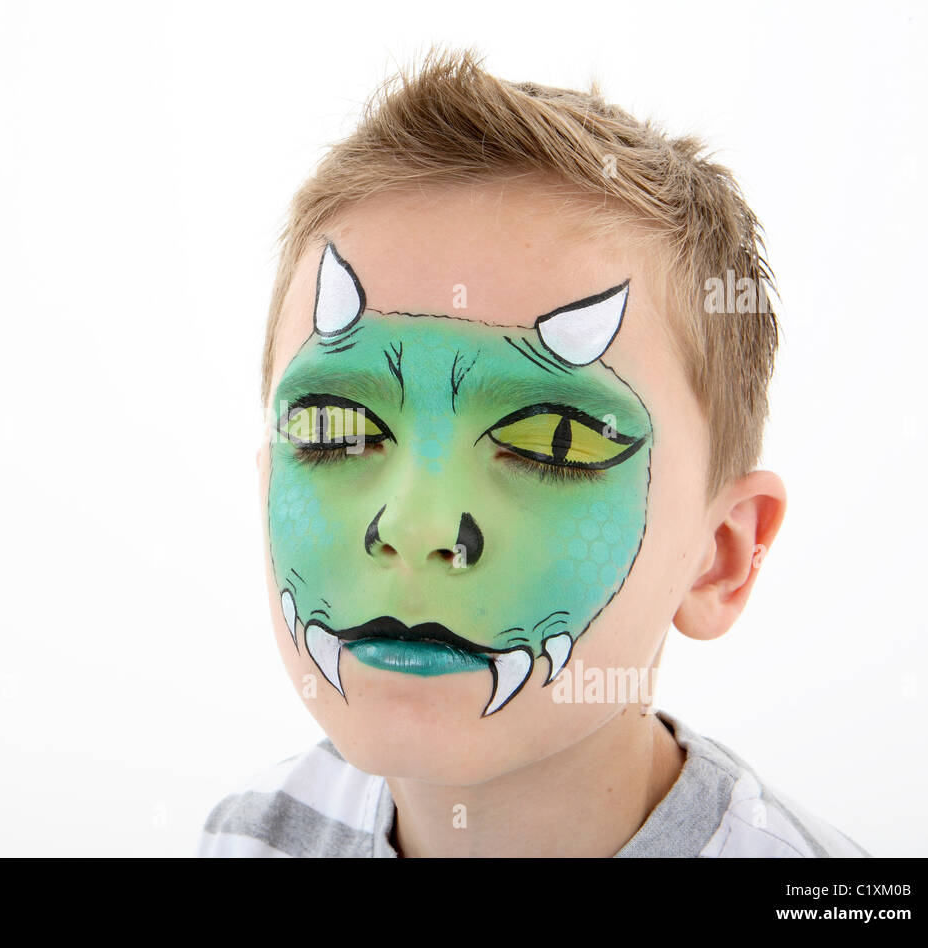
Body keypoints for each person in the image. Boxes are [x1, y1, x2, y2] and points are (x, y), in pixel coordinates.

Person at [198, 48, 866, 858]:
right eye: (335, 427)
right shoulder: (250, 836)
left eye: (553, 442)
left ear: (721, 557)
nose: (413, 525)